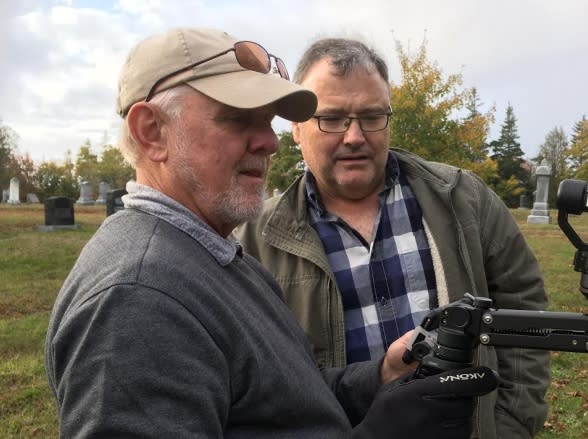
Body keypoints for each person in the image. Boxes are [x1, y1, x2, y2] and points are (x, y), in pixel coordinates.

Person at [44, 27, 497, 439]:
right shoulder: (137, 300)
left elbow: (286, 400)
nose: (270, 142)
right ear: (152, 133)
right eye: (238, 119)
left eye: (268, 121)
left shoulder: (212, 253)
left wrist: (378, 376)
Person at [236, 38, 551, 438]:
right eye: (331, 118)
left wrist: (510, 426)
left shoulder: (461, 199)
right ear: (296, 129)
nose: (354, 136)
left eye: (371, 116)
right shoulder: (252, 240)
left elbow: (522, 307)